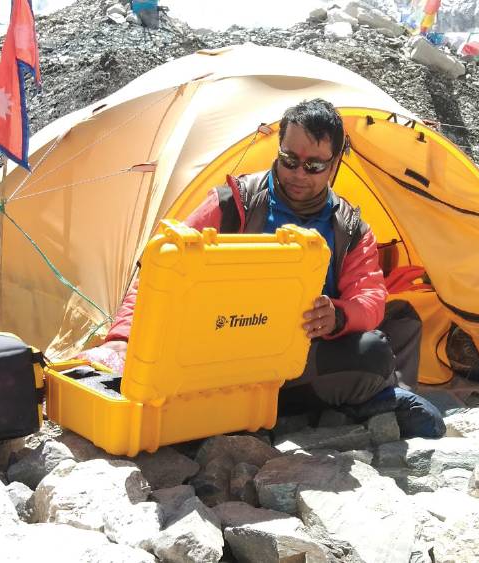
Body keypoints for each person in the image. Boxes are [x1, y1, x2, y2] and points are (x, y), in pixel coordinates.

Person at [81, 99, 444, 438]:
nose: (299, 173)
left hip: (294, 362)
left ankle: (277, 410)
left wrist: (337, 316)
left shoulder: (350, 228)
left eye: (314, 166)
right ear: (278, 150)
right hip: (217, 356)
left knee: (379, 344)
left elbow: (370, 298)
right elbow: (160, 268)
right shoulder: (233, 203)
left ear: (334, 165)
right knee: (373, 362)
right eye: (289, 159)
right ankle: (357, 404)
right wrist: (122, 339)